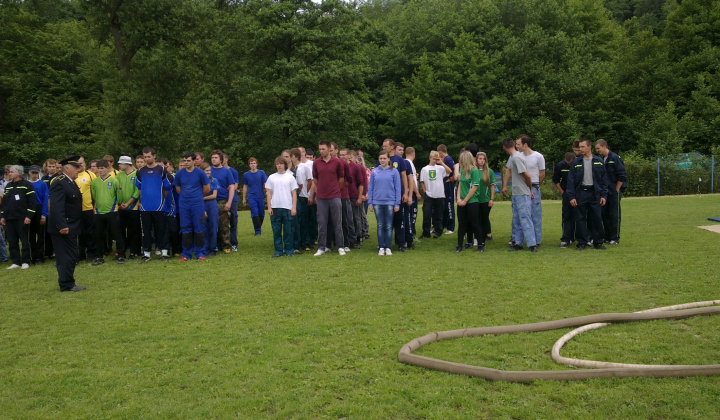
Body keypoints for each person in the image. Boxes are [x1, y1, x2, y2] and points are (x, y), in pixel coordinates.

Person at [48, 156, 85, 291]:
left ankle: (68, 281)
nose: (78, 170)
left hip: (71, 225)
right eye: (76, 168)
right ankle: (66, 284)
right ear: (67, 168)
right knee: (65, 256)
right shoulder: (59, 182)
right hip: (63, 227)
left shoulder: (69, 181)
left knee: (71, 254)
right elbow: (57, 206)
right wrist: (62, 225)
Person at [566, 139, 608, 250]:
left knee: (597, 218)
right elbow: (571, 181)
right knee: (580, 218)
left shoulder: (599, 161)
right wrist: (571, 196)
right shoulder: (576, 162)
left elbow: (604, 180)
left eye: (583, 146)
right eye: (579, 147)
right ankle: (581, 242)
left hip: (595, 193)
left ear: (589, 147)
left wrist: (604, 195)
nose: (580, 149)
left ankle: (598, 242)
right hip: (581, 193)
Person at [135, 147, 172, 262]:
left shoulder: (161, 170)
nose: (147, 159)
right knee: (146, 231)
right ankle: (146, 254)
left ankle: (164, 252)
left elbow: (166, 187)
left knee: (161, 230)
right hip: (145, 207)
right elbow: (139, 187)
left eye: (149, 156)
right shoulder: (140, 171)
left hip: (159, 206)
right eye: (145, 157)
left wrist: (160, 199)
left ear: (154, 156)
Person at [501, 138, 537, 252]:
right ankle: (518, 243)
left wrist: (529, 189)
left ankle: (532, 244)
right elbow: (508, 171)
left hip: (522, 193)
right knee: (516, 219)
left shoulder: (517, 157)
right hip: (516, 193)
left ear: (504, 147)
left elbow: (527, 175)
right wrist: (505, 186)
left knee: (525, 218)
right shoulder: (512, 157)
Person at [173, 152, 210, 261]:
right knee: (185, 229)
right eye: (184, 161)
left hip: (197, 205)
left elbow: (207, 189)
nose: (186, 163)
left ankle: (200, 253)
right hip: (184, 205)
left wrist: (198, 196)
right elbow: (178, 189)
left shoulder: (200, 173)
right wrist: (186, 197)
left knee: (199, 228)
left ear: (194, 161)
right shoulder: (179, 174)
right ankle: (186, 254)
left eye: (188, 160)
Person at [312, 140, 345, 256]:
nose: (321, 151)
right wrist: (321, 189)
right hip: (321, 197)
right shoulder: (316, 163)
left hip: (334, 196)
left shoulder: (337, 162)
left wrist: (335, 188)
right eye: (320, 149)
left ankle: (340, 246)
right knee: (322, 222)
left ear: (329, 149)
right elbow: (315, 179)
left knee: (337, 222)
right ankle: (322, 247)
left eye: (323, 149)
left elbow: (341, 178)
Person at [0, 165, 36, 269]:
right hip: (10, 218)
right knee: (12, 240)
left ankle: (26, 261)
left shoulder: (27, 185)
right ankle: (15, 261)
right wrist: (2, 216)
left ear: (19, 173)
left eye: (12, 172)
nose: (9, 174)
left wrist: (29, 216)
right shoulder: (8, 186)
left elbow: (32, 202)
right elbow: (5, 203)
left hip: (22, 217)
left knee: (24, 240)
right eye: (9, 172)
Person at [90, 159, 125, 265]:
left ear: (107, 169)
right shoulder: (95, 182)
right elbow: (94, 196)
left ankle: (121, 255)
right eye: (98, 168)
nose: (100, 170)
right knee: (99, 235)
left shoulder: (114, 181)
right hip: (99, 212)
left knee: (116, 233)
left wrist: (115, 206)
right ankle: (100, 256)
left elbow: (119, 196)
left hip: (112, 211)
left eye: (102, 168)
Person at [368, 151, 401, 256]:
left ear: (388, 159)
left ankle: (388, 247)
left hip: (390, 202)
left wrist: (397, 203)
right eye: (380, 158)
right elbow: (371, 188)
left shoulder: (394, 171)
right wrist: (370, 202)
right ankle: (381, 247)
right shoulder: (374, 172)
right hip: (377, 202)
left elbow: (398, 188)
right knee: (380, 225)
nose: (382, 160)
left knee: (388, 225)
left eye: (384, 158)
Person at [595, 139, 626, 245]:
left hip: (613, 191)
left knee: (614, 214)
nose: (597, 150)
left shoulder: (615, 158)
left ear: (604, 146)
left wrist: (616, 189)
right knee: (604, 214)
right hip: (604, 191)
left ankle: (615, 237)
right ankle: (607, 236)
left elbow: (621, 175)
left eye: (598, 148)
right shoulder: (601, 159)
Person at [266, 156, 299, 257]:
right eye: (277, 164)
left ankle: (289, 250)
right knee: (276, 231)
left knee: (288, 231)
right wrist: (269, 207)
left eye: (281, 163)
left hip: (287, 208)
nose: (279, 165)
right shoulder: (271, 177)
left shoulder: (290, 177)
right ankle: (278, 251)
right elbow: (269, 193)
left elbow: (294, 193)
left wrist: (293, 207)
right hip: (275, 208)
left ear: (285, 164)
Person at [516, 135, 545, 245]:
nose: (517, 146)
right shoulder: (518, 156)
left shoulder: (538, 156)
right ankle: (518, 240)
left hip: (534, 186)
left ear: (525, 144)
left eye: (518, 144)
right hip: (522, 188)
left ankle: (536, 241)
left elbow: (542, 173)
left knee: (535, 215)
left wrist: (535, 187)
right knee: (521, 214)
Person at [454, 151, 485, 253]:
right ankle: (459, 245)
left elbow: (474, 187)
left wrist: (465, 200)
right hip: (461, 201)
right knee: (462, 224)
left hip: (472, 201)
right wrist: (458, 199)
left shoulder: (474, 171)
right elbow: (460, 185)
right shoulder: (462, 170)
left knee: (474, 223)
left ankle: (480, 244)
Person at [420, 151, 452, 239]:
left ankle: (438, 231)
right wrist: (425, 191)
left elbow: (449, 171)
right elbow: (422, 181)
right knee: (426, 215)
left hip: (440, 194)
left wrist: (441, 162)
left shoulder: (440, 168)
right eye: (433, 158)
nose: (434, 160)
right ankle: (426, 232)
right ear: (430, 158)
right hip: (429, 195)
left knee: (439, 215)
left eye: (436, 159)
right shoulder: (425, 169)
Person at [210, 150, 236, 254]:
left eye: (216, 158)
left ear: (221, 160)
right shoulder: (208, 170)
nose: (214, 159)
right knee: (211, 225)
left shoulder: (226, 171)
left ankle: (226, 246)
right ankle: (213, 246)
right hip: (210, 200)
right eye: (212, 158)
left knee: (224, 225)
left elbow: (231, 187)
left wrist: (229, 202)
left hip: (222, 200)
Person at [116, 156, 141, 259]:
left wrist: (128, 203)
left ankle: (134, 251)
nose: (119, 165)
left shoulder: (136, 174)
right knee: (121, 230)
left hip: (133, 207)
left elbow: (137, 191)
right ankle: (122, 251)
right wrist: (120, 203)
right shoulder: (119, 175)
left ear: (127, 164)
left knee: (133, 231)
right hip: (121, 207)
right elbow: (117, 189)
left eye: (121, 163)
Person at [74, 156, 97, 261]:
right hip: (75, 210)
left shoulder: (90, 175)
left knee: (90, 232)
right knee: (79, 233)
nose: (80, 165)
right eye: (78, 163)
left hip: (88, 208)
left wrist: (95, 206)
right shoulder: (72, 175)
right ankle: (80, 254)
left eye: (81, 163)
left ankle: (91, 253)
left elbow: (96, 191)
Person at [553, 152, 576, 247]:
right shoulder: (560, 165)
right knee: (566, 216)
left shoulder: (579, 164)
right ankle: (566, 238)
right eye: (568, 163)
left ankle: (582, 238)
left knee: (579, 216)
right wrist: (562, 192)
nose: (569, 164)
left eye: (570, 163)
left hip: (578, 193)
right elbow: (556, 180)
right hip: (566, 193)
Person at [27, 165, 48, 265]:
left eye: (36, 173)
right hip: (29, 210)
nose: (34, 175)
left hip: (39, 208)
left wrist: (44, 215)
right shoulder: (26, 184)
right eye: (33, 173)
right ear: (29, 173)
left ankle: (40, 256)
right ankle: (33, 256)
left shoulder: (42, 184)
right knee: (31, 235)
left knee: (40, 235)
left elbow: (45, 200)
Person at [242, 157, 268, 236]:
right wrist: (244, 198)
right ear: (249, 165)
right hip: (251, 196)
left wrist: (268, 193)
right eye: (251, 163)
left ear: (256, 164)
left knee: (261, 214)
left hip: (260, 196)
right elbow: (245, 186)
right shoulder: (246, 174)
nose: (253, 165)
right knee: (254, 212)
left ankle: (258, 226)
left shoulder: (261, 173)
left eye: (254, 163)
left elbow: (265, 184)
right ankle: (257, 231)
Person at [475, 152, 496, 247]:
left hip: (485, 199)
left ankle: (484, 236)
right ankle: (478, 236)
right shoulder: (473, 171)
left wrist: (491, 199)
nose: (482, 160)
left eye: (483, 159)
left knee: (484, 218)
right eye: (480, 158)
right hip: (475, 199)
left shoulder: (489, 171)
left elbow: (492, 186)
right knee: (476, 218)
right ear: (476, 159)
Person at [201, 163, 219, 256]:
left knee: (213, 226)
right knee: (203, 227)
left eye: (209, 170)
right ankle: (205, 248)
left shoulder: (214, 180)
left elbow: (214, 195)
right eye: (206, 170)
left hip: (212, 205)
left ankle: (213, 248)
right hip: (201, 205)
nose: (208, 172)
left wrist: (202, 198)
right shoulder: (199, 181)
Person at [223, 153, 240, 252]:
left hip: (233, 200)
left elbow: (235, 186)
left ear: (227, 159)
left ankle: (234, 243)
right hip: (221, 199)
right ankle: (222, 243)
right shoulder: (215, 170)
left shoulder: (233, 171)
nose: (223, 160)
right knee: (221, 223)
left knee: (233, 221)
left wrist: (228, 190)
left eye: (224, 158)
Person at [437, 144, 456, 234]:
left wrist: (452, 178)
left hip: (448, 186)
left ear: (440, 151)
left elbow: (453, 169)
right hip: (444, 186)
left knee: (449, 206)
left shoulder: (448, 159)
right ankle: (444, 224)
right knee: (444, 206)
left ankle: (451, 227)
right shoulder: (445, 159)